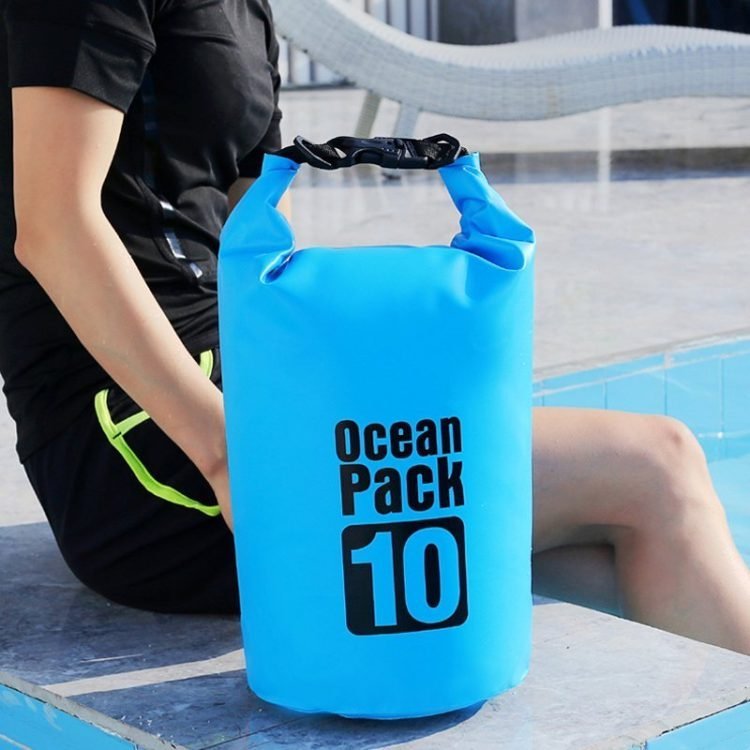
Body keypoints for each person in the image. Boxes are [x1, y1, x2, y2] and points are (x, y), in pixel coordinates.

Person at [2, 0, 750, 654]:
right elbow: (52, 226)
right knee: (658, 465)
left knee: (624, 545)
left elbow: (252, 231)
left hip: (242, 383)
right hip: (142, 433)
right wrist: (232, 454)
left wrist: (345, 370)